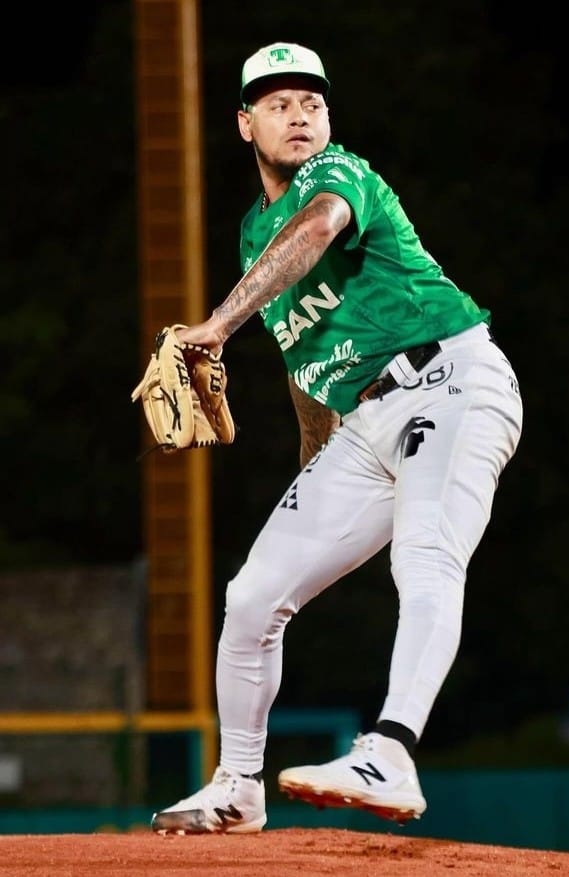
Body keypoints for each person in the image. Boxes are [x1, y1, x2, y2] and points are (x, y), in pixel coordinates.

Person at [150, 41, 523, 835]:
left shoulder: (337, 176)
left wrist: (215, 326)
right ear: (244, 123)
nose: (299, 114)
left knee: (424, 555)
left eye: (312, 102)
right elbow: (304, 363)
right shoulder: (255, 233)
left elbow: (318, 231)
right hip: (363, 424)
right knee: (251, 597)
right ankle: (237, 785)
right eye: (278, 102)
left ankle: (389, 750)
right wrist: (313, 467)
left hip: (452, 381)